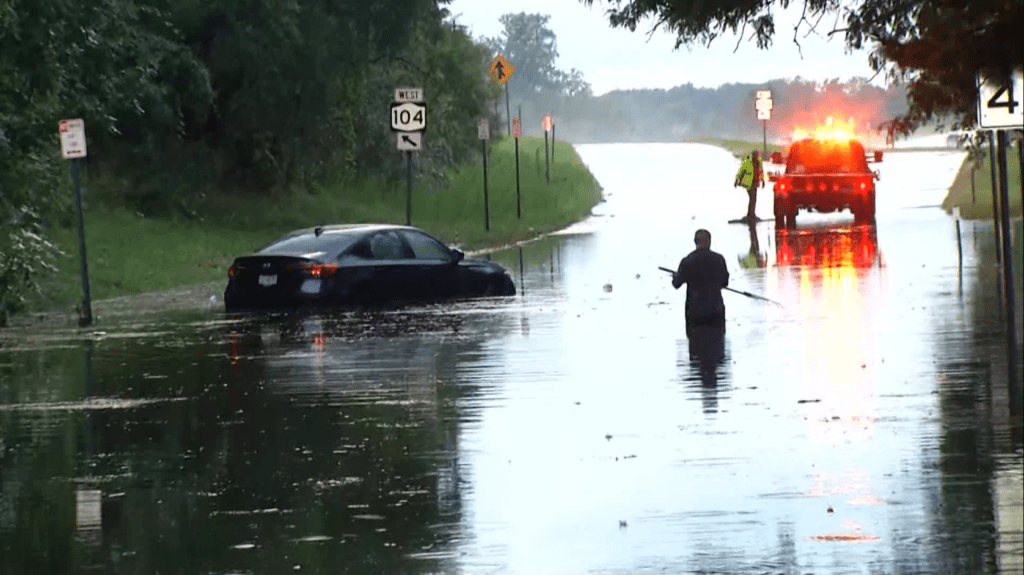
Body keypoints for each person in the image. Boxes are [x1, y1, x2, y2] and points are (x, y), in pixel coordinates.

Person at [671, 229, 730, 338]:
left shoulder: (687, 261)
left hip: (695, 311)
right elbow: (725, 282)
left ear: (695, 242)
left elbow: (676, 284)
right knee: (718, 346)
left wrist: (676, 276)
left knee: (695, 347)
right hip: (715, 310)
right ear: (710, 242)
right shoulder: (719, 259)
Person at [733, 150, 764, 223]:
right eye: (754, 155)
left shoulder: (759, 162)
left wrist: (762, 181)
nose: (756, 157)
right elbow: (741, 171)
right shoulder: (747, 162)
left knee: (753, 199)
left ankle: (751, 214)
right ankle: (751, 214)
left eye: (757, 155)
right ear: (752, 155)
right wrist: (737, 180)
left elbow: (761, 171)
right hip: (748, 183)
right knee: (752, 198)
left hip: (755, 183)